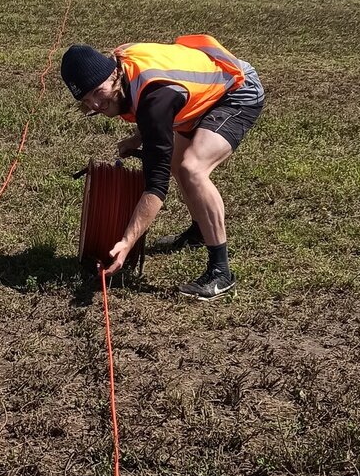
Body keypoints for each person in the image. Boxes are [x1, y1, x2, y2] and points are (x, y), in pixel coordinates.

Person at [60, 35, 264, 300]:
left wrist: (127, 242)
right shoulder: (121, 63)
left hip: (236, 90)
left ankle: (221, 272)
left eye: (98, 93)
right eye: (87, 101)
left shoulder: (156, 100)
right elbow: (154, 105)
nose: (96, 105)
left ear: (114, 74)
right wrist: (140, 135)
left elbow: (156, 186)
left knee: (192, 168)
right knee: (178, 165)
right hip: (199, 93)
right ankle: (200, 231)